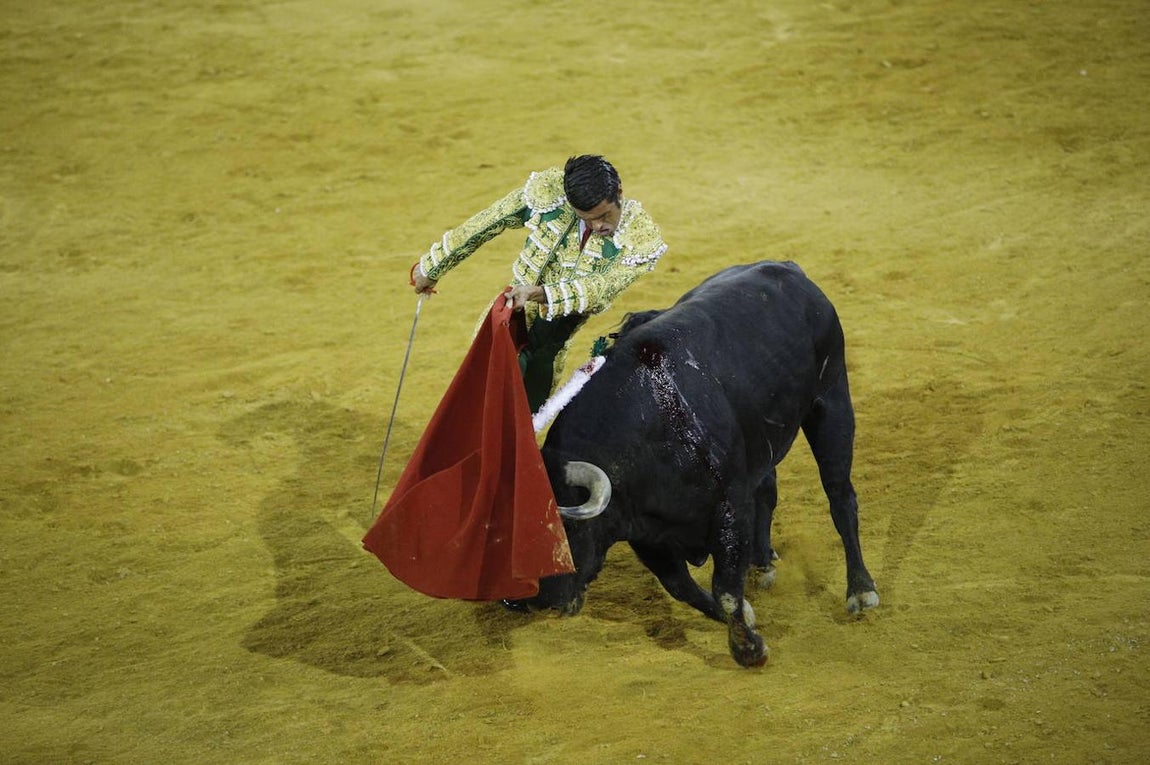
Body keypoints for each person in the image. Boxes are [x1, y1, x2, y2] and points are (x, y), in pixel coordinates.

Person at [411, 155, 668, 413]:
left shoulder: (640, 238)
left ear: (619, 192)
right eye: (585, 218)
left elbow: (601, 288)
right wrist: (433, 265)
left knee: (524, 416)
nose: (597, 225)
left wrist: (540, 293)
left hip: (549, 347)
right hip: (506, 321)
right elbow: (491, 220)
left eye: (603, 215)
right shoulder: (550, 194)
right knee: (482, 405)